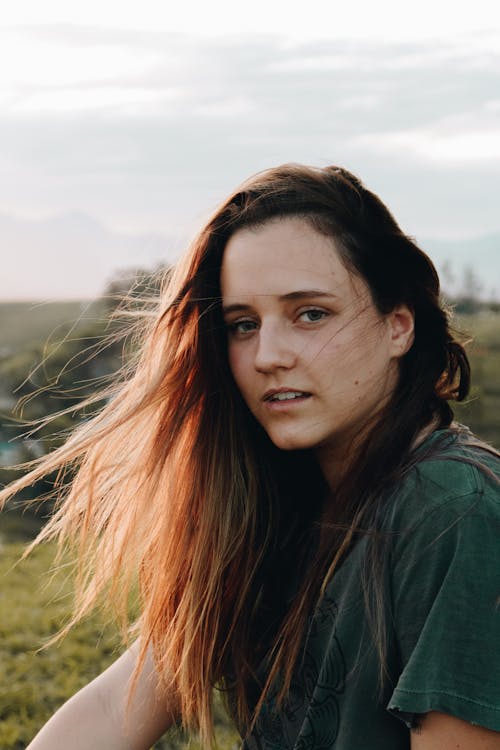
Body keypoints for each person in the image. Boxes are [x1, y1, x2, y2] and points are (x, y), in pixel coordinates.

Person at [2, 164, 499, 750]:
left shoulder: (453, 510)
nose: (268, 355)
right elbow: (118, 706)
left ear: (397, 326)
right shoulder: (275, 500)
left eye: (310, 313)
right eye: (242, 324)